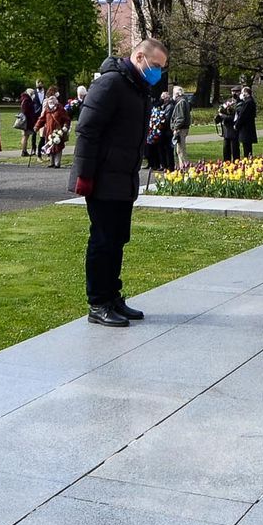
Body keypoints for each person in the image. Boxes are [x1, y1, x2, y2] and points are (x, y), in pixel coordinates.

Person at [70, 38, 167, 328]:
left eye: (162, 68)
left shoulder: (138, 88)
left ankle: (112, 296)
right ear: (139, 57)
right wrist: (84, 175)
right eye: (156, 65)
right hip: (102, 177)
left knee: (117, 240)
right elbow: (87, 130)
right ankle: (98, 303)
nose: (158, 72)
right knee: (102, 240)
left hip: (123, 178)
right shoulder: (111, 83)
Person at [38, 88, 71, 168]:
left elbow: (67, 119)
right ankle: (51, 162)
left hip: (58, 131)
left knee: (58, 146)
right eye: (50, 102)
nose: (51, 103)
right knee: (50, 145)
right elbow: (42, 119)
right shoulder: (47, 110)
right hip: (49, 131)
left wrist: (65, 127)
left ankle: (57, 163)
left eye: (52, 102)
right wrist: (36, 126)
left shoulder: (60, 109)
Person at [169, 84, 192, 168]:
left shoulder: (181, 102)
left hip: (181, 129)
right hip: (183, 128)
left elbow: (180, 118)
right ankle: (183, 166)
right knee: (180, 149)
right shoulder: (184, 101)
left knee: (180, 150)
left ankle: (184, 167)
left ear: (177, 94)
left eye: (173, 93)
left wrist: (175, 128)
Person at [20, 84, 41, 157]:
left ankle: (24, 150)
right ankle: (24, 151)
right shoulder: (26, 100)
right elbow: (26, 111)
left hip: (26, 121)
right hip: (26, 121)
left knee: (25, 136)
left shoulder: (25, 99)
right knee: (25, 136)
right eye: (32, 94)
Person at [237, 85, 258, 158]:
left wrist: (237, 125)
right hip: (248, 127)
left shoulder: (248, 102)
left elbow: (242, 115)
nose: (241, 94)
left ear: (246, 93)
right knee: (247, 146)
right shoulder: (250, 101)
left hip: (246, 128)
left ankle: (247, 158)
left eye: (242, 92)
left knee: (247, 146)